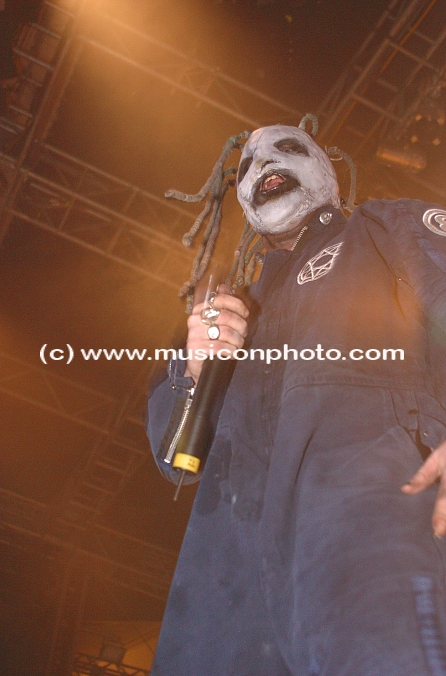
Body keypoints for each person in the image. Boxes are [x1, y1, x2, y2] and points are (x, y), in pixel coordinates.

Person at [147, 123, 446, 675]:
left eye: (287, 148)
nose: (262, 165)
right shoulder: (229, 314)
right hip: (223, 592)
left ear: (329, 172)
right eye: (246, 166)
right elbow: (173, 461)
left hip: (376, 541)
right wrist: (192, 368)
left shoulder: (384, 229)